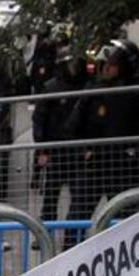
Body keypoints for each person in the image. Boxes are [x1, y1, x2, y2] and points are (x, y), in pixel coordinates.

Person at [64, 40, 139, 226]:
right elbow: (72, 127)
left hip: (125, 168)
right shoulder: (95, 91)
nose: (106, 69)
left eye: (112, 64)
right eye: (105, 64)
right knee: (77, 219)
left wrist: (138, 153)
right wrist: (84, 152)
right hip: (94, 164)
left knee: (126, 221)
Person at [31, 47, 88, 235]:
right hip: (56, 150)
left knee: (79, 198)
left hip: (78, 151)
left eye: (76, 64)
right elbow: (40, 120)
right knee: (50, 196)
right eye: (70, 64)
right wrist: (42, 150)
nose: (74, 68)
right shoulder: (51, 88)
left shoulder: (86, 87)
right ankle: (45, 235)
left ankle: (72, 238)